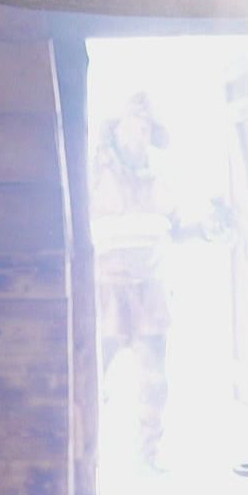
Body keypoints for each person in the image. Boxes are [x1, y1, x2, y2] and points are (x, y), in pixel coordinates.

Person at [92, 91, 176, 469]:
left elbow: (174, 220)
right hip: (106, 285)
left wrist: (204, 226)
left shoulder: (158, 172)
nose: (141, 135)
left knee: (154, 378)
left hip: (149, 286)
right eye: (136, 126)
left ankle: (149, 451)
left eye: (147, 128)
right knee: (92, 373)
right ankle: (87, 455)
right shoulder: (96, 168)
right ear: (120, 126)